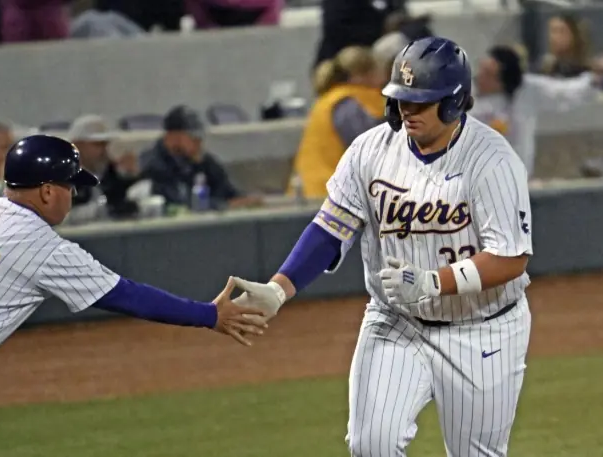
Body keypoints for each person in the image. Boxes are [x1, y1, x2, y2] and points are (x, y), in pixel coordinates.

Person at [0, 134, 267, 457]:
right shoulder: (41, 244)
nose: (73, 194)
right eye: (69, 185)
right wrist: (209, 315)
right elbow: (126, 295)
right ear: (46, 191)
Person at [229, 37, 534, 456]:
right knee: (371, 446)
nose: (407, 110)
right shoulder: (371, 150)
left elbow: (510, 257)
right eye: (402, 99)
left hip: (483, 326)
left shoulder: (493, 161)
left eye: (420, 102)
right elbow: (330, 228)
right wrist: (280, 288)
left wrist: (434, 282)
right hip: (397, 321)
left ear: (453, 102)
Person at [470, 44, 600, 177]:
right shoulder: (461, 92)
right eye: (481, 68)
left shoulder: (527, 90)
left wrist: (593, 81)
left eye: (488, 74)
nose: (479, 76)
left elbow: (562, 92)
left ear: (503, 82)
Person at [291, 46, 385, 198]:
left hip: (315, 189)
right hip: (329, 195)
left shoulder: (331, 99)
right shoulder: (348, 104)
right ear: (363, 74)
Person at [140, 105, 261, 211]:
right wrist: (224, 206)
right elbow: (180, 205)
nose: (199, 142)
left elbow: (227, 190)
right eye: (193, 137)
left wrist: (247, 200)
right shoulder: (153, 165)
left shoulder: (202, 161)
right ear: (173, 136)